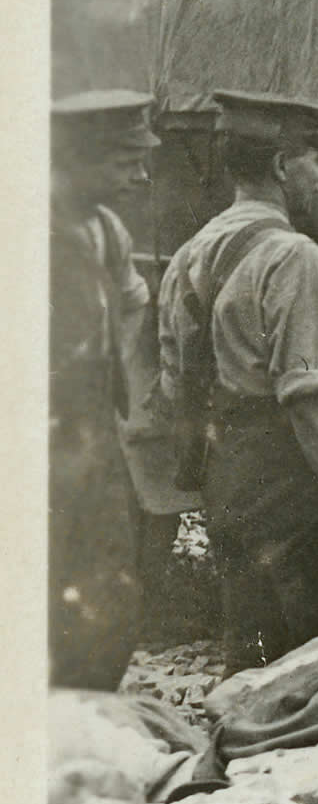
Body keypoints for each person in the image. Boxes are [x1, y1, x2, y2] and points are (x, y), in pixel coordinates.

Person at [158, 91, 318, 665]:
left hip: (227, 481)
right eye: (317, 157)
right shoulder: (294, 256)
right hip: (294, 487)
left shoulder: (190, 253)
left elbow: (171, 387)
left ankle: (243, 753)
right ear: (283, 167)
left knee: (252, 651)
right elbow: (311, 401)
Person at [50, 92, 164, 686]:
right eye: (125, 161)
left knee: (110, 593)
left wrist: (122, 396)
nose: (140, 175)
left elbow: (132, 302)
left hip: (93, 441)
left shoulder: (105, 230)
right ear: (79, 157)